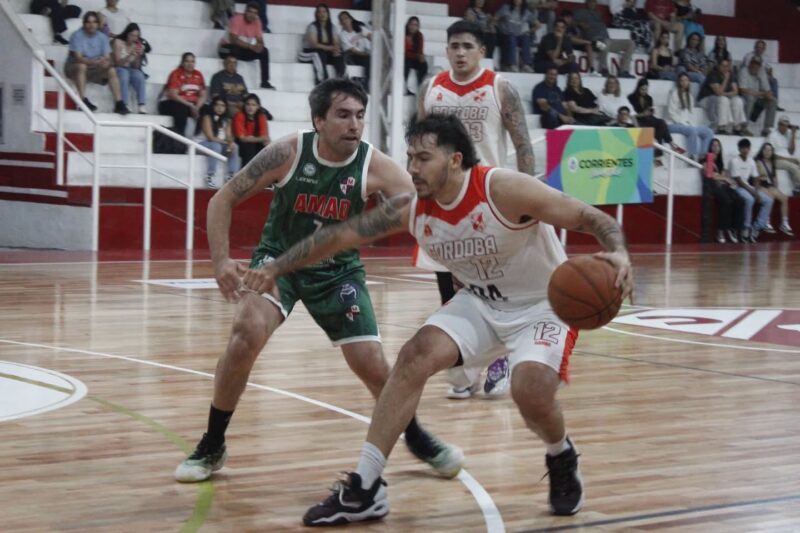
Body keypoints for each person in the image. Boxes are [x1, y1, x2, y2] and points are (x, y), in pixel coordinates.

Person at [245, 113, 634, 526]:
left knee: (530, 393)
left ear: (455, 160)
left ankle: (560, 453)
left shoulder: (503, 189)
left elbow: (590, 217)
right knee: (414, 356)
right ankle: (366, 486)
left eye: (423, 158)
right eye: (410, 157)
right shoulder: (411, 208)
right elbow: (337, 236)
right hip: (481, 302)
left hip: (541, 305)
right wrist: (277, 267)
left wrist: (619, 253)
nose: (412, 167)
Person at [174, 79, 463, 486]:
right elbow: (222, 199)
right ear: (318, 121)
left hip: (337, 270)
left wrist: (460, 257)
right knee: (246, 331)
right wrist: (220, 261)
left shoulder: (375, 165)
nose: (354, 124)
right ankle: (212, 442)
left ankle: (416, 437)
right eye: (343, 115)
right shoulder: (288, 152)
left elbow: (426, 207)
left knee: (372, 364)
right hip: (278, 263)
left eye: (359, 116)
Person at [417, 20, 536, 398]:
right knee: (450, 296)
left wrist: (528, 198)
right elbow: (419, 145)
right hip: (442, 205)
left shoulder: (500, 88)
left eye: (468, 46)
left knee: (493, 294)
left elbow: (523, 145)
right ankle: (464, 370)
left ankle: (502, 358)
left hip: (488, 205)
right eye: (454, 46)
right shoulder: (431, 89)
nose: (460, 52)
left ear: (482, 51)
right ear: (446, 50)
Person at [64, 11, 126, 114]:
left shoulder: (102, 37)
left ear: (98, 24)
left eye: (94, 22)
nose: (91, 25)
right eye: (88, 22)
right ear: (84, 24)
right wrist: (94, 62)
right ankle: (82, 101)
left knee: (111, 70)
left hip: (93, 67)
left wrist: (104, 62)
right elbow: (78, 58)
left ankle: (119, 103)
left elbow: (107, 57)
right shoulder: (77, 35)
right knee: (82, 66)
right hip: (74, 67)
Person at [218, 1, 275, 90]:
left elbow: (260, 39)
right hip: (225, 48)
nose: (252, 15)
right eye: (250, 12)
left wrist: (259, 45)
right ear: (245, 11)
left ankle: (265, 82)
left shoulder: (257, 22)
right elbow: (233, 40)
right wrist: (251, 46)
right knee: (235, 49)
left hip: (242, 49)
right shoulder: (237, 19)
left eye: (255, 13)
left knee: (264, 51)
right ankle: (232, 79)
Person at [728, 138, 774, 243]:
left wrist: (756, 191)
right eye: (743, 148)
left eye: (747, 148)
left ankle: (757, 227)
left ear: (749, 149)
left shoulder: (751, 161)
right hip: (736, 187)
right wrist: (753, 192)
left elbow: (756, 178)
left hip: (748, 187)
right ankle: (746, 228)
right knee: (750, 199)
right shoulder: (734, 161)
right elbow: (739, 181)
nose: (745, 150)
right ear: (739, 149)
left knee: (768, 200)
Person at [573, 0, 634, 78]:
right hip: (594, 42)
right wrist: (579, 23)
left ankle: (624, 71)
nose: (592, 3)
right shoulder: (581, 12)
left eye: (594, 1)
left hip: (607, 40)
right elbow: (570, 21)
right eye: (591, 1)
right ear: (586, 2)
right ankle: (603, 69)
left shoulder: (598, 13)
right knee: (605, 43)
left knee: (630, 43)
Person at [703, 139, 744, 243]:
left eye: (718, 146)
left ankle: (733, 229)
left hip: (724, 186)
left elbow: (723, 175)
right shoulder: (708, 159)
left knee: (740, 201)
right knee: (727, 202)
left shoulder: (720, 161)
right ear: (710, 147)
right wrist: (724, 178)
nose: (716, 148)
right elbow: (710, 175)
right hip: (713, 186)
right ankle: (720, 231)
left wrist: (724, 178)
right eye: (713, 145)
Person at [628, 78, 680, 158]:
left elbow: (650, 110)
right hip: (637, 120)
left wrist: (650, 112)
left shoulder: (649, 98)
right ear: (638, 88)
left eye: (646, 89)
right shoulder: (631, 98)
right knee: (648, 128)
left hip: (648, 118)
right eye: (642, 89)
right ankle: (662, 149)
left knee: (661, 122)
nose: (644, 91)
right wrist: (642, 114)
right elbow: (631, 114)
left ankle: (669, 144)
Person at [666, 73, 713, 160]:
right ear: (679, 82)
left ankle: (703, 157)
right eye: (682, 80)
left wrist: (688, 124)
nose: (684, 82)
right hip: (673, 123)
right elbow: (671, 113)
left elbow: (689, 115)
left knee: (709, 132)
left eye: (686, 80)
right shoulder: (673, 93)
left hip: (686, 124)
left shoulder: (690, 97)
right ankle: (693, 156)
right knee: (692, 130)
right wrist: (683, 123)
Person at [158, 52, 206, 137]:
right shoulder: (176, 73)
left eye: (192, 61)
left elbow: (203, 95)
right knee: (181, 108)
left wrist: (197, 107)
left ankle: (197, 135)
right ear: (182, 62)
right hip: (171, 103)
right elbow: (173, 95)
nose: (190, 64)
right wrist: (190, 105)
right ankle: (179, 136)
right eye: (187, 61)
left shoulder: (198, 74)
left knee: (207, 109)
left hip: (191, 104)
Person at [697, 59, 749, 135]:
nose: (725, 68)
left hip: (720, 98)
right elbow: (718, 92)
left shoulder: (731, 74)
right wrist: (726, 79)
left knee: (737, 100)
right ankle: (721, 127)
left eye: (727, 66)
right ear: (719, 66)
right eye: (723, 66)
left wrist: (725, 93)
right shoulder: (713, 75)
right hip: (706, 99)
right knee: (723, 99)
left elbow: (735, 92)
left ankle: (737, 127)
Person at [298, 4, 346, 86]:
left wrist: (336, 50)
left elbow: (336, 43)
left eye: (324, 12)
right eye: (319, 12)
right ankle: (322, 82)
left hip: (324, 54)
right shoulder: (312, 26)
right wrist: (331, 48)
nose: (322, 14)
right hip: (307, 54)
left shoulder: (332, 27)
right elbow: (313, 44)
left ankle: (342, 81)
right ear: (316, 14)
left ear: (328, 14)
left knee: (339, 55)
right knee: (318, 53)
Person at [754, 143, 794, 236]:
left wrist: (776, 189)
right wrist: (759, 188)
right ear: (762, 151)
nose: (767, 152)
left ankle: (784, 223)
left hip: (769, 185)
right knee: (770, 196)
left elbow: (774, 178)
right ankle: (766, 221)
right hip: (760, 186)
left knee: (784, 198)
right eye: (765, 150)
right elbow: (756, 178)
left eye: (770, 150)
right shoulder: (758, 162)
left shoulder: (772, 163)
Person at [201, 96, 240, 188]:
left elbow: (228, 136)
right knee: (216, 146)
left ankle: (231, 176)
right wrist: (226, 142)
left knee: (234, 146)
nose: (220, 108)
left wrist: (230, 143)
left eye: (222, 106)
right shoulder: (207, 117)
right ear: (213, 106)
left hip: (219, 144)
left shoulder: (226, 120)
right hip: (202, 144)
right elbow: (210, 137)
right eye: (217, 105)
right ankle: (210, 176)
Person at [112, 22, 147, 114]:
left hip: (129, 69)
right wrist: (129, 55)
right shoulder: (118, 42)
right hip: (118, 68)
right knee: (124, 74)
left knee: (139, 75)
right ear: (127, 34)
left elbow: (136, 66)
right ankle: (125, 103)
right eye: (132, 35)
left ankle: (142, 104)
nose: (134, 38)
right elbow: (117, 63)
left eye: (136, 36)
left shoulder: (136, 45)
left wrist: (139, 56)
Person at [738, 56, 777, 137]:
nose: (754, 66)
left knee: (773, 101)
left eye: (757, 65)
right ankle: (745, 126)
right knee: (750, 98)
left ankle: (767, 128)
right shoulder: (744, 71)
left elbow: (767, 90)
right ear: (750, 64)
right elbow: (742, 90)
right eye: (753, 64)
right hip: (745, 97)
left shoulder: (761, 72)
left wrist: (769, 95)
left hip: (758, 97)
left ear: (759, 66)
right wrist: (761, 94)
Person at [494, 0, 538, 72]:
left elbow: (537, 24)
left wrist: (529, 31)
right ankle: (512, 64)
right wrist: (498, 28)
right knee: (512, 38)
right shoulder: (506, 8)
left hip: (519, 35)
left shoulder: (525, 12)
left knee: (526, 38)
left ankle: (526, 65)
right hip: (507, 34)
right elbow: (495, 18)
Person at [741, 40, 781, 111]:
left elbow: (769, 68)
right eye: (758, 47)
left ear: (764, 49)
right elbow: (750, 68)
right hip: (750, 76)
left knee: (773, 81)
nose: (759, 49)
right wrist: (760, 72)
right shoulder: (749, 56)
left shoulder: (765, 57)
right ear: (754, 47)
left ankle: (773, 100)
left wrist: (770, 75)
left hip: (761, 75)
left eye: (761, 48)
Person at [232, 93, 269, 167]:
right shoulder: (239, 115)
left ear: (258, 107)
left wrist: (252, 138)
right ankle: (247, 172)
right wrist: (258, 139)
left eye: (253, 105)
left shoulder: (261, 116)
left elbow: (264, 137)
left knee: (266, 148)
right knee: (250, 147)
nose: (250, 107)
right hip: (241, 144)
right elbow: (242, 138)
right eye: (248, 104)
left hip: (255, 143)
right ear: (244, 106)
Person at [767, 116, 800, 196]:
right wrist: (789, 160)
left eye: (786, 126)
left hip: (787, 159)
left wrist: (793, 135)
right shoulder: (772, 135)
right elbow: (771, 155)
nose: (785, 128)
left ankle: (797, 189)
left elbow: (791, 151)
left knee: (796, 163)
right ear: (779, 125)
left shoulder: (788, 134)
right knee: (793, 166)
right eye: (783, 125)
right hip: (776, 160)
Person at [338, 11, 371, 88]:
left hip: (365, 53)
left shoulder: (360, 28)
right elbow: (352, 50)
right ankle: (365, 84)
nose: (345, 21)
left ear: (351, 19)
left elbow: (371, 36)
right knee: (368, 60)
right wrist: (365, 53)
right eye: (342, 20)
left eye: (346, 18)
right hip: (353, 56)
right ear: (341, 23)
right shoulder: (343, 35)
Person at [404, 16, 429, 94]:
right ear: (408, 25)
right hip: (404, 58)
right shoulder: (402, 34)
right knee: (406, 63)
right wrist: (416, 55)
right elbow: (404, 51)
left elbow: (420, 50)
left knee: (424, 64)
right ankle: (405, 88)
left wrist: (421, 57)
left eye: (415, 25)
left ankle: (421, 86)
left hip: (414, 58)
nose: (413, 27)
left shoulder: (419, 35)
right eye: (411, 24)